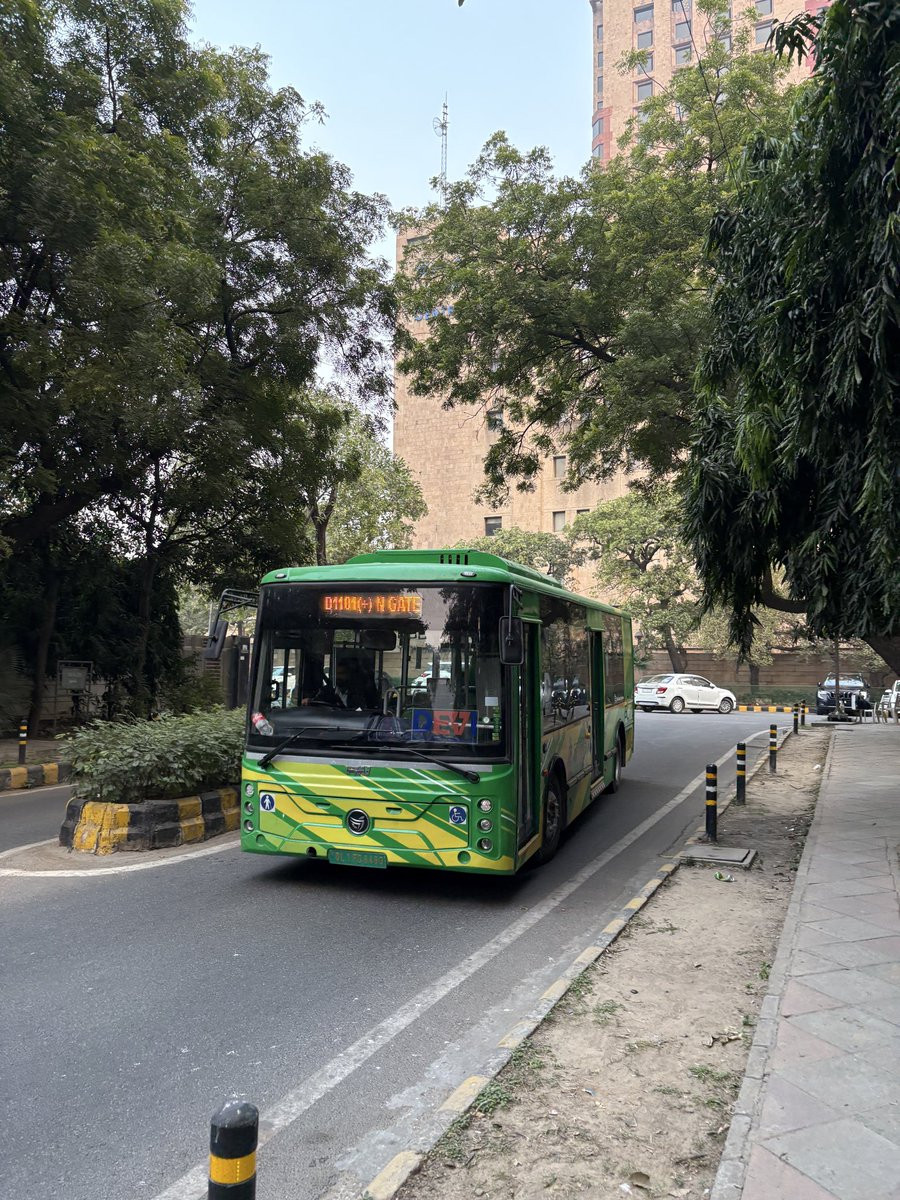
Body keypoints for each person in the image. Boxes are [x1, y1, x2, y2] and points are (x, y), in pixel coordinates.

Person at [305, 657, 379, 710]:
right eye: (336, 674)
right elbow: (318, 701)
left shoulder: (360, 692)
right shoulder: (328, 690)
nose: (338, 677)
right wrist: (309, 701)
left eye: (342, 673)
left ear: (350, 675)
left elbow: (362, 710)